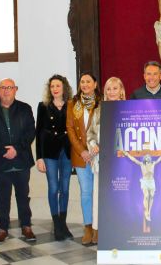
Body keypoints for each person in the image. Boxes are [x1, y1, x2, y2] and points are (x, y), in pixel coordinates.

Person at [0, 78, 36, 244]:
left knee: (23, 196)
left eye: (10, 87)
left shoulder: (25, 108)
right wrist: (3, 150)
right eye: (3, 88)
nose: (6, 91)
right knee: (3, 197)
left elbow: (30, 132)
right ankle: (3, 228)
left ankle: (26, 226)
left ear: (15, 89)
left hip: (21, 160)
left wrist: (16, 149)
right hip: (1, 160)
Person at [87, 77, 126, 244]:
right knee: (100, 196)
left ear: (121, 91)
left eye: (115, 88)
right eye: (108, 89)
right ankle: (100, 231)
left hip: (123, 163)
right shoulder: (97, 111)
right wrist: (93, 145)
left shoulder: (129, 109)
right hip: (102, 162)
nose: (111, 92)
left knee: (122, 197)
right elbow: (90, 134)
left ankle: (122, 229)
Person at [36, 74, 74, 241]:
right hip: (49, 152)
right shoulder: (43, 106)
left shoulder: (72, 105)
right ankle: (57, 224)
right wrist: (39, 157)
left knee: (65, 188)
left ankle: (63, 224)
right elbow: (38, 132)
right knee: (53, 188)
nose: (55, 89)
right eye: (52, 86)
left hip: (67, 152)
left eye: (58, 86)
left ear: (64, 88)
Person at [66, 72, 101, 245]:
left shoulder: (102, 103)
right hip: (81, 156)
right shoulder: (73, 104)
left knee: (99, 192)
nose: (85, 84)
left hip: (99, 154)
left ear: (95, 84)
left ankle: (98, 227)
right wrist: (82, 151)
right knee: (86, 192)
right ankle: (88, 227)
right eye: (82, 82)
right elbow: (70, 129)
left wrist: (95, 150)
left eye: (88, 81)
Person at [119, 149, 161, 224]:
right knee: (146, 196)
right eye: (146, 157)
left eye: (148, 157)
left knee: (151, 196)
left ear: (150, 158)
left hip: (151, 182)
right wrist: (127, 154)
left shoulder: (153, 163)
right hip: (145, 182)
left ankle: (149, 212)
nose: (147, 158)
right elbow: (134, 159)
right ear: (144, 159)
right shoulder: (142, 164)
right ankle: (146, 212)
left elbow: (159, 159)